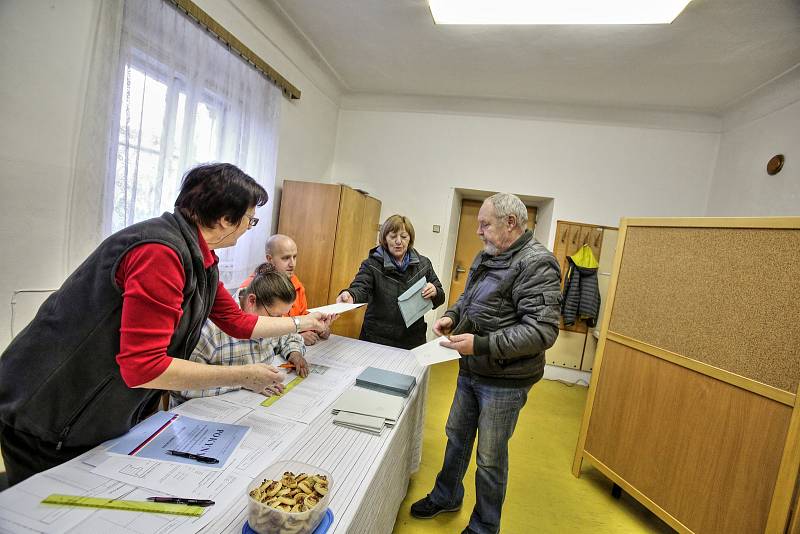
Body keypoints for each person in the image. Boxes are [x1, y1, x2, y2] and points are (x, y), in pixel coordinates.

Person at [0, 163, 331, 486]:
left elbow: (238, 322)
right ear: (224, 219)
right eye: (249, 219)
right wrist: (244, 375)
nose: (248, 228)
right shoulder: (160, 253)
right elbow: (144, 366)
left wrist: (302, 320)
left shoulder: (201, 258)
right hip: (50, 409)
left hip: (95, 408)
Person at [409, 193, 562, 534]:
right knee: (456, 438)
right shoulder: (487, 255)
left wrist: (479, 344)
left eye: (485, 224)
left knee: (490, 459)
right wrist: (452, 316)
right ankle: (446, 495)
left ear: (511, 223)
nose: (478, 231)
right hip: (472, 368)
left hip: (505, 381)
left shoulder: (538, 264)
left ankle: (484, 526)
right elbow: (468, 298)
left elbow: (541, 331)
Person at [172, 262, 310, 407]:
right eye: (275, 316)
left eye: (283, 316)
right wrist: (243, 380)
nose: (278, 322)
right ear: (252, 301)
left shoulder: (271, 314)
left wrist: (294, 353)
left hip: (254, 404)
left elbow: (289, 336)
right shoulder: (210, 329)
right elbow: (182, 386)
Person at [336, 214, 445, 350]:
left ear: (410, 239)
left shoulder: (424, 264)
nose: (398, 241)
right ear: (385, 238)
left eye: (404, 237)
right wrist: (350, 295)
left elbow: (440, 297)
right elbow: (361, 287)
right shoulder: (372, 264)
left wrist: (435, 292)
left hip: (412, 340)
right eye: (393, 236)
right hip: (376, 339)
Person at [239, 234, 329, 346]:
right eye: (286, 258)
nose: (292, 264)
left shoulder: (295, 283)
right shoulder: (251, 288)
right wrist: (297, 337)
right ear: (269, 259)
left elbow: (304, 316)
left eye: (294, 257)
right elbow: (252, 332)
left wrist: (318, 328)